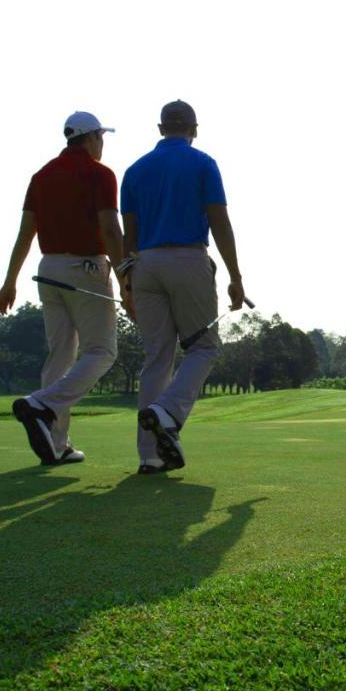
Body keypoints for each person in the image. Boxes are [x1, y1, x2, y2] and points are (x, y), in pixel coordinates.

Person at [0, 110, 130, 466]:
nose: (102, 144)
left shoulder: (41, 176)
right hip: (86, 267)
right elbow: (111, 231)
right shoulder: (100, 174)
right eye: (101, 137)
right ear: (90, 138)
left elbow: (26, 234)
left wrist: (9, 282)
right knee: (102, 351)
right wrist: (126, 282)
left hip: (48, 269)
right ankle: (44, 405)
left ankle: (57, 444)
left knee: (60, 355)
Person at [119, 99, 246, 473]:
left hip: (144, 265)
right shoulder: (204, 163)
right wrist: (236, 277)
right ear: (194, 129)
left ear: (160, 129)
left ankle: (150, 455)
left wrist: (127, 284)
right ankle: (168, 413)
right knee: (204, 347)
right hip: (188, 259)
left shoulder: (134, 170)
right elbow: (219, 222)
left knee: (157, 357)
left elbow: (130, 234)